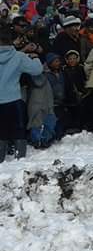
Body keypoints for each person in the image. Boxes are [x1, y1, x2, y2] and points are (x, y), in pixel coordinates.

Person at [0, 26, 42, 161]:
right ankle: (20, 160)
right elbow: (37, 70)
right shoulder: (19, 56)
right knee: (18, 131)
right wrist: (35, 57)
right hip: (14, 99)